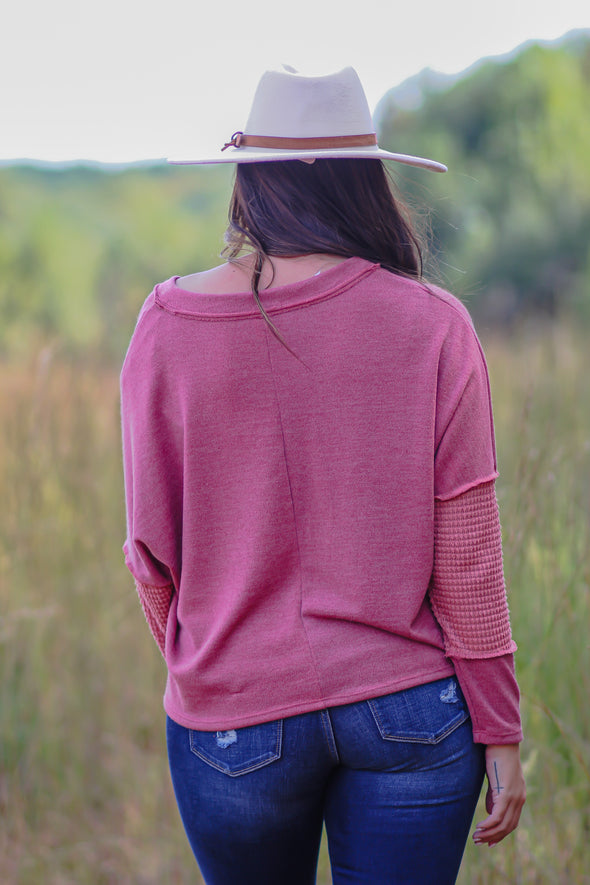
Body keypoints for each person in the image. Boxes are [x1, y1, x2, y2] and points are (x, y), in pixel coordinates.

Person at [120, 66, 526, 885]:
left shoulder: (167, 325)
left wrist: (207, 659)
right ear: (367, 181)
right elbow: (469, 556)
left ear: (250, 179)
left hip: (234, 718)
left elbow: (148, 548)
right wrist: (500, 724)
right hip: (410, 707)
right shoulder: (436, 325)